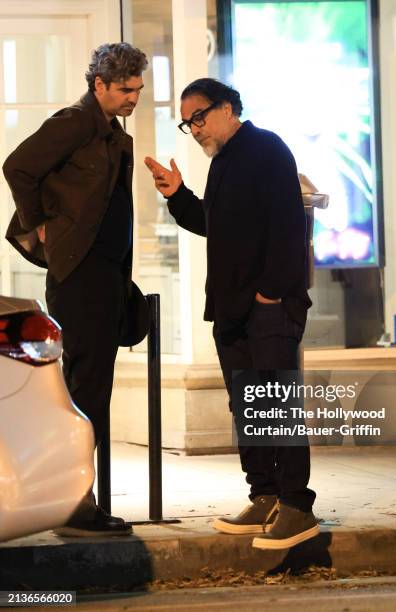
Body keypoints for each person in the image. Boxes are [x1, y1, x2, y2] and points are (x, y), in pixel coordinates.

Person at [145, 78, 318, 549]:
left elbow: (287, 228)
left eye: (198, 117)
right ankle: (264, 496)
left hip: (269, 308)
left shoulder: (265, 149)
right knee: (248, 407)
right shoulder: (222, 162)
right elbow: (214, 226)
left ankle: (296, 506)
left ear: (227, 108)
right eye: (187, 123)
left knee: (277, 405)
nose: (194, 129)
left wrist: (270, 294)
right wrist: (178, 193)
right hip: (232, 311)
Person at [3, 42, 149, 537]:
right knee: (86, 386)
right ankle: (73, 502)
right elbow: (17, 166)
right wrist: (39, 223)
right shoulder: (75, 123)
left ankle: (75, 497)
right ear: (100, 85)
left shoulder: (114, 135)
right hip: (80, 273)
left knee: (94, 385)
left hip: (106, 274)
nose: (134, 97)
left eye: (139, 89)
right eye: (126, 89)